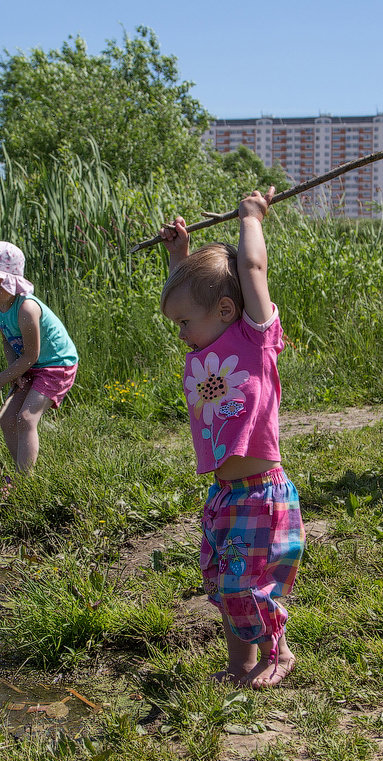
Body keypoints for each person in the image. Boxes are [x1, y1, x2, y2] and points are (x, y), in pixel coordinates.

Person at [158, 187, 304, 689]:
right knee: (224, 585)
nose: (180, 334)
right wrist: (180, 256)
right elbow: (194, 295)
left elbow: (251, 272)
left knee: (248, 585)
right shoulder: (203, 348)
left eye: (184, 323)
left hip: (260, 492)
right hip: (224, 493)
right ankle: (241, 663)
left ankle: (278, 652)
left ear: (225, 310)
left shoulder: (253, 338)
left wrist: (250, 218)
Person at [0, 241, 78, 476]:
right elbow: (8, 340)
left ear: (12, 282)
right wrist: (13, 373)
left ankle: (23, 481)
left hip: (56, 365)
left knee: (26, 418)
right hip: (29, 365)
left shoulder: (27, 309)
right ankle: (20, 472)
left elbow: (31, 354)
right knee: (8, 419)